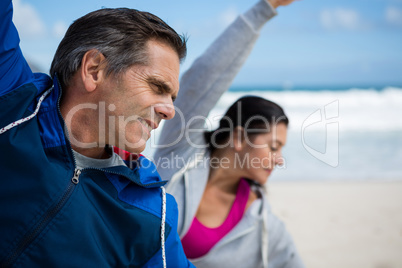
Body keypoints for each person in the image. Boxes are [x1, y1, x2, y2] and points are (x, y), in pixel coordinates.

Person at [0, 1, 193, 267]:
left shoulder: (153, 213)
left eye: (172, 97)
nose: (170, 111)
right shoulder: (11, 98)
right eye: (157, 86)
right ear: (93, 70)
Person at [154, 0, 305, 267]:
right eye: (272, 147)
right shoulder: (181, 151)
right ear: (237, 138)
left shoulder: (263, 223)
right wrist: (265, 8)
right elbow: (205, 78)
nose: (279, 159)